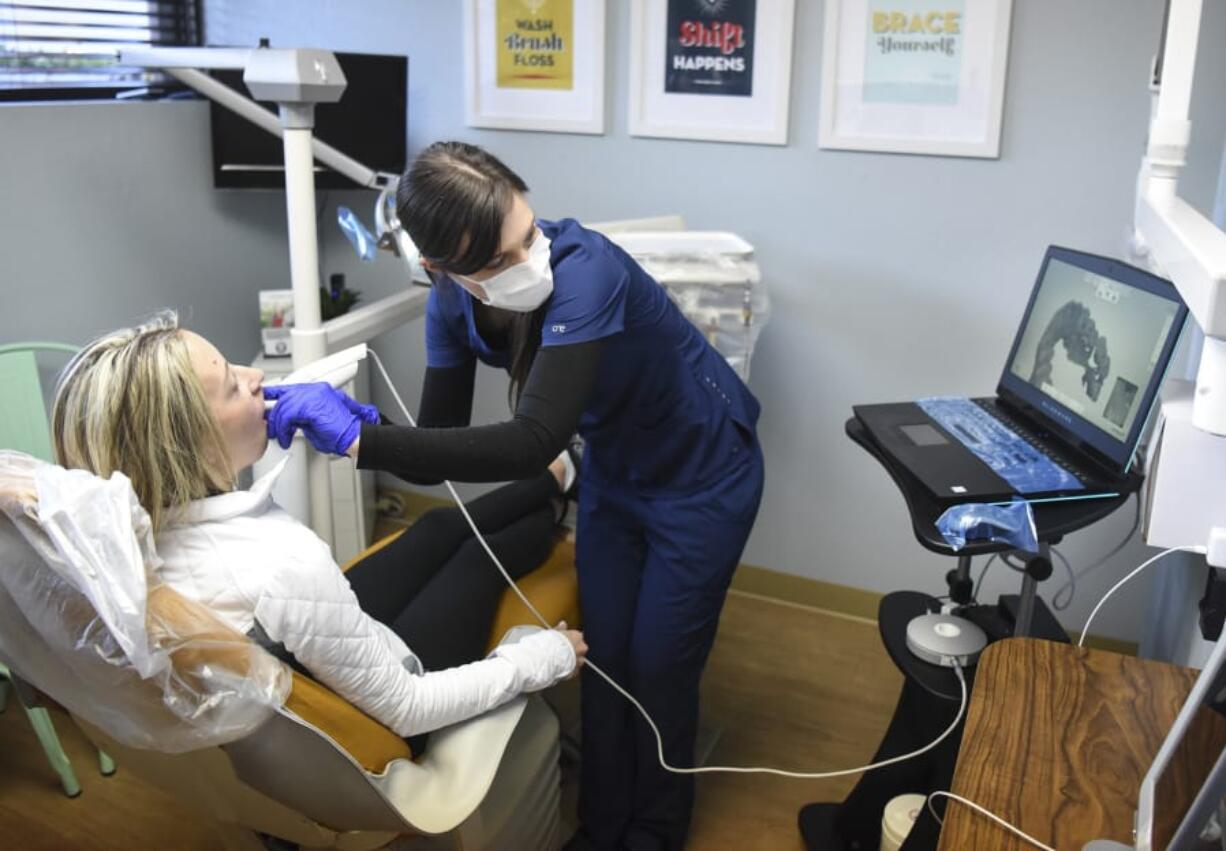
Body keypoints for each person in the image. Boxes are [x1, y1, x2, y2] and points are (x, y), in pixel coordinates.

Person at [265, 141, 765, 849]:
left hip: (703, 477)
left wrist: (361, 443)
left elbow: (533, 440)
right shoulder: (449, 306)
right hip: (619, 478)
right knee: (607, 655)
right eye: (498, 260)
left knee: (659, 667)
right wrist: (365, 425)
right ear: (443, 270)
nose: (527, 259)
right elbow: (436, 441)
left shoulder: (587, 271)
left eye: (527, 233)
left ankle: (654, 831)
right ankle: (601, 825)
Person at [50, 312, 587, 748]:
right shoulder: (283, 562)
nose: (255, 376)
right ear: (186, 446)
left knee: (439, 527)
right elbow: (408, 707)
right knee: (477, 559)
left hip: (304, 651)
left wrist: (364, 435)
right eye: (234, 386)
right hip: (381, 708)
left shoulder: (113, 534)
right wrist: (542, 658)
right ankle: (555, 500)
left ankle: (557, 476)